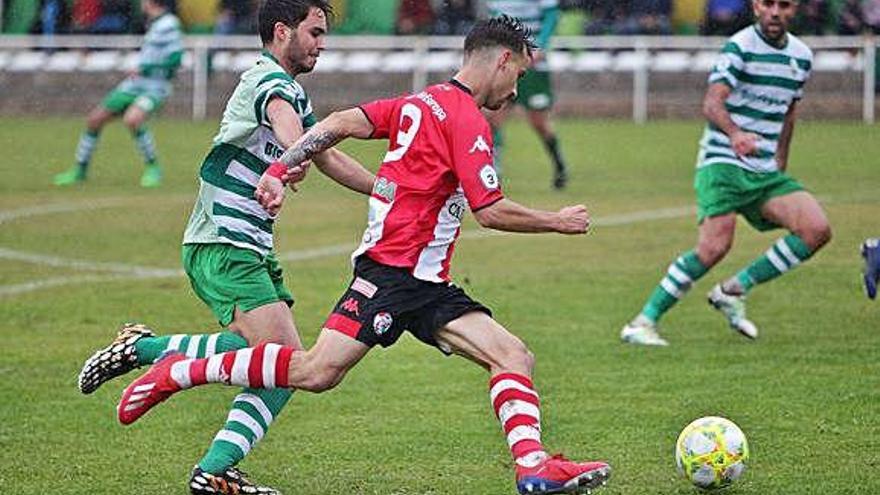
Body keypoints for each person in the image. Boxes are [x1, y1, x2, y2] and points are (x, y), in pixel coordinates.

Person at [115, 15, 612, 495]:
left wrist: (281, 166)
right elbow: (490, 211)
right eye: (519, 75)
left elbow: (338, 122)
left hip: (426, 282)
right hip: (393, 276)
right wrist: (557, 220)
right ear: (503, 60)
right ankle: (179, 371)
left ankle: (533, 468)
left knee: (512, 355)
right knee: (316, 372)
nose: (516, 91)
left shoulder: (420, 102)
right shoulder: (466, 122)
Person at [77, 1, 375, 494]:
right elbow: (289, 130)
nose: (322, 44)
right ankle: (208, 459)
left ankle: (151, 361)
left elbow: (323, 152)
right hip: (225, 240)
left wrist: (388, 189)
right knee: (286, 363)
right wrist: (291, 157)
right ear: (283, 32)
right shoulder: (269, 83)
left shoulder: (290, 91)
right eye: (315, 33)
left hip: (245, 244)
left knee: (270, 362)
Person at [621, 0, 832, 346]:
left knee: (815, 229)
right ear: (755, 6)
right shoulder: (739, 47)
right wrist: (735, 134)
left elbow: (789, 111)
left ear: (796, 9)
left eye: (785, 5)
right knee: (714, 247)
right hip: (723, 162)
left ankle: (733, 290)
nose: (775, 12)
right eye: (768, 4)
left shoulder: (801, 55)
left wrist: (782, 158)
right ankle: (641, 322)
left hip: (764, 169)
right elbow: (712, 102)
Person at [54, 0, 182, 187]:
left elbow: (176, 59)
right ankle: (79, 170)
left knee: (133, 119)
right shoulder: (153, 22)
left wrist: (146, 68)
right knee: (95, 119)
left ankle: (153, 168)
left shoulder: (168, 24)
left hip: (155, 87)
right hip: (134, 85)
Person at [486, 0, 570, 190]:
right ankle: (494, 171)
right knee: (493, 117)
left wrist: (539, 45)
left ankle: (559, 164)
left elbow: (551, 15)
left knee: (539, 123)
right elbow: (494, 21)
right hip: (505, 64)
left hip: (533, 66)